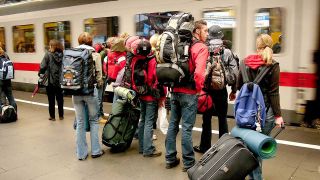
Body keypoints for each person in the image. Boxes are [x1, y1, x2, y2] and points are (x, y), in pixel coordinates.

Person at [237, 34, 284, 180]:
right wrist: (278, 116)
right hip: (264, 114)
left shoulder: (244, 62)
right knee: (257, 147)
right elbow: (273, 93)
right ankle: (257, 178)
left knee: (249, 145)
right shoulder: (273, 65)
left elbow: (239, 86)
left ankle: (251, 176)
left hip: (246, 112)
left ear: (257, 46)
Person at [165, 20, 208, 172]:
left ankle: (170, 158)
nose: (207, 34)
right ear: (197, 32)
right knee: (187, 129)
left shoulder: (177, 45)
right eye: (205, 31)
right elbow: (198, 73)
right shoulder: (200, 47)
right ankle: (188, 163)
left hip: (174, 91)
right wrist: (198, 89)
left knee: (173, 125)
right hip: (189, 94)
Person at [193, 25, 238, 153]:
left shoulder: (204, 49)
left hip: (207, 92)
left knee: (206, 120)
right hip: (221, 91)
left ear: (210, 36)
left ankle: (204, 146)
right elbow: (235, 73)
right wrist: (234, 90)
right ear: (221, 36)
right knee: (222, 119)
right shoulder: (227, 51)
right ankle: (224, 148)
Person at [129, 38, 164, 157]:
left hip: (140, 94)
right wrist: (159, 95)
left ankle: (142, 147)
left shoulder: (135, 59)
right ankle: (148, 149)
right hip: (150, 95)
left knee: (143, 120)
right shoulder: (152, 60)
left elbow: (132, 78)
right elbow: (153, 78)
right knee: (149, 122)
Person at [73, 32, 104, 160]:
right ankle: (96, 151)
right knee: (94, 120)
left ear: (79, 41)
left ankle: (81, 153)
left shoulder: (73, 54)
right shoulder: (95, 55)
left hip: (76, 91)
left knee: (80, 122)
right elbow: (99, 76)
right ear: (91, 42)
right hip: (90, 91)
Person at [39, 39, 64, 121]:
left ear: (51, 46)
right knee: (60, 99)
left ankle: (52, 117)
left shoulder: (48, 54)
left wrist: (40, 74)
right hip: (60, 81)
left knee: (51, 99)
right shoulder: (63, 54)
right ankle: (61, 116)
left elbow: (42, 66)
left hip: (50, 81)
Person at [93, 43, 108, 120]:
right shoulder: (101, 54)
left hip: (100, 78)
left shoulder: (99, 54)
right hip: (101, 78)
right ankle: (98, 116)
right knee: (99, 97)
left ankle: (100, 114)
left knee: (100, 97)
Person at [0, 46, 17, 112]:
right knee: (10, 96)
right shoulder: (5, 55)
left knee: (1, 97)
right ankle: (15, 114)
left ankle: (2, 115)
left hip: (0, 80)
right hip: (7, 79)